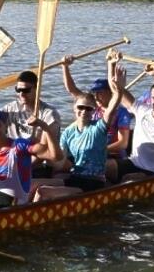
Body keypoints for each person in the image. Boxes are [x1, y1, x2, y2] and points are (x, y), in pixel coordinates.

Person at [36, 62, 125, 201]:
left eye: (88, 108)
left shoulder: (98, 128)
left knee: (43, 193)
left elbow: (111, 109)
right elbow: (60, 162)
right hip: (75, 177)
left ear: (94, 111)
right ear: (74, 108)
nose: (84, 111)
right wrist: (39, 154)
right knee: (34, 185)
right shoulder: (69, 131)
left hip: (93, 182)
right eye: (80, 107)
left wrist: (119, 91)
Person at [0, 70, 61, 177]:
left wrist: (17, 168)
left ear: (37, 89)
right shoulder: (12, 108)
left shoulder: (49, 115)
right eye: (18, 90)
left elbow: (45, 150)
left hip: (38, 166)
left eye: (26, 90)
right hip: (11, 162)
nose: (21, 94)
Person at [0, 110, 62, 206]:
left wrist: (45, 127)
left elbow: (56, 156)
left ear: (6, 127)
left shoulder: (20, 146)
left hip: (15, 203)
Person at [60, 55, 132, 158]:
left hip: (112, 155)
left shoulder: (122, 113)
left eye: (100, 93)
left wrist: (97, 149)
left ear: (110, 93)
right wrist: (65, 66)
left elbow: (123, 143)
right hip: (88, 150)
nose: (96, 96)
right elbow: (72, 90)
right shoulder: (91, 106)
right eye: (94, 93)